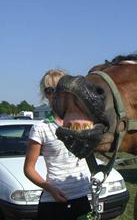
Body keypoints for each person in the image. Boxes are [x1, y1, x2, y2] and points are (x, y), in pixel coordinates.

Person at [24, 69, 91, 220]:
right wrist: (50, 189)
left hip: (82, 197)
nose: (55, 94)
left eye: (60, 89)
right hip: (54, 201)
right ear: (45, 95)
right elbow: (28, 169)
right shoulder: (40, 128)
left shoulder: (82, 124)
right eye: (49, 90)